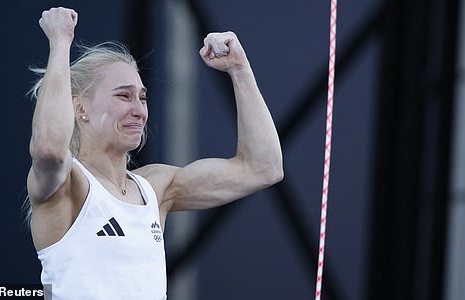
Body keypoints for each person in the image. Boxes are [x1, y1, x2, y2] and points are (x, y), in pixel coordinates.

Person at [27, 7, 283, 299]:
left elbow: (263, 167)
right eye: (124, 96)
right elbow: (49, 149)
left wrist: (240, 70)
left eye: (143, 97)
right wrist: (60, 42)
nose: (138, 110)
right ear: (80, 108)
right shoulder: (68, 184)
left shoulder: (156, 187)